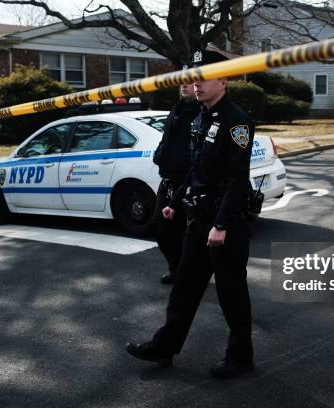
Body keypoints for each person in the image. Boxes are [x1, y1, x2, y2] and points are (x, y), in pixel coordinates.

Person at [126, 49, 256, 379]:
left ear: (223, 80)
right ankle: (164, 346)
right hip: (197, 222)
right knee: (183, 289)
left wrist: (222, 224)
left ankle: (240, 356)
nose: (195, 83)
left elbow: (238, 179)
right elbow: (196, 168)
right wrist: (177, 199)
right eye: (193, 77)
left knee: (231, 294)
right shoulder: (200, 117)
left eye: (203, 77)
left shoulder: (236, 121)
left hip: (224, 226)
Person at [152, 83, 201, 284]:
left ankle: (190, 274)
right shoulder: (178, 108)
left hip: (189, 181)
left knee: (188, 235)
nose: (184, 85)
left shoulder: (202, 112)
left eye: (190, 81)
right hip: (168, 180)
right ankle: (176, 268)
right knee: (162, 231)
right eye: (182, 80)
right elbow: (168, 138)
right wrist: (160, 153)